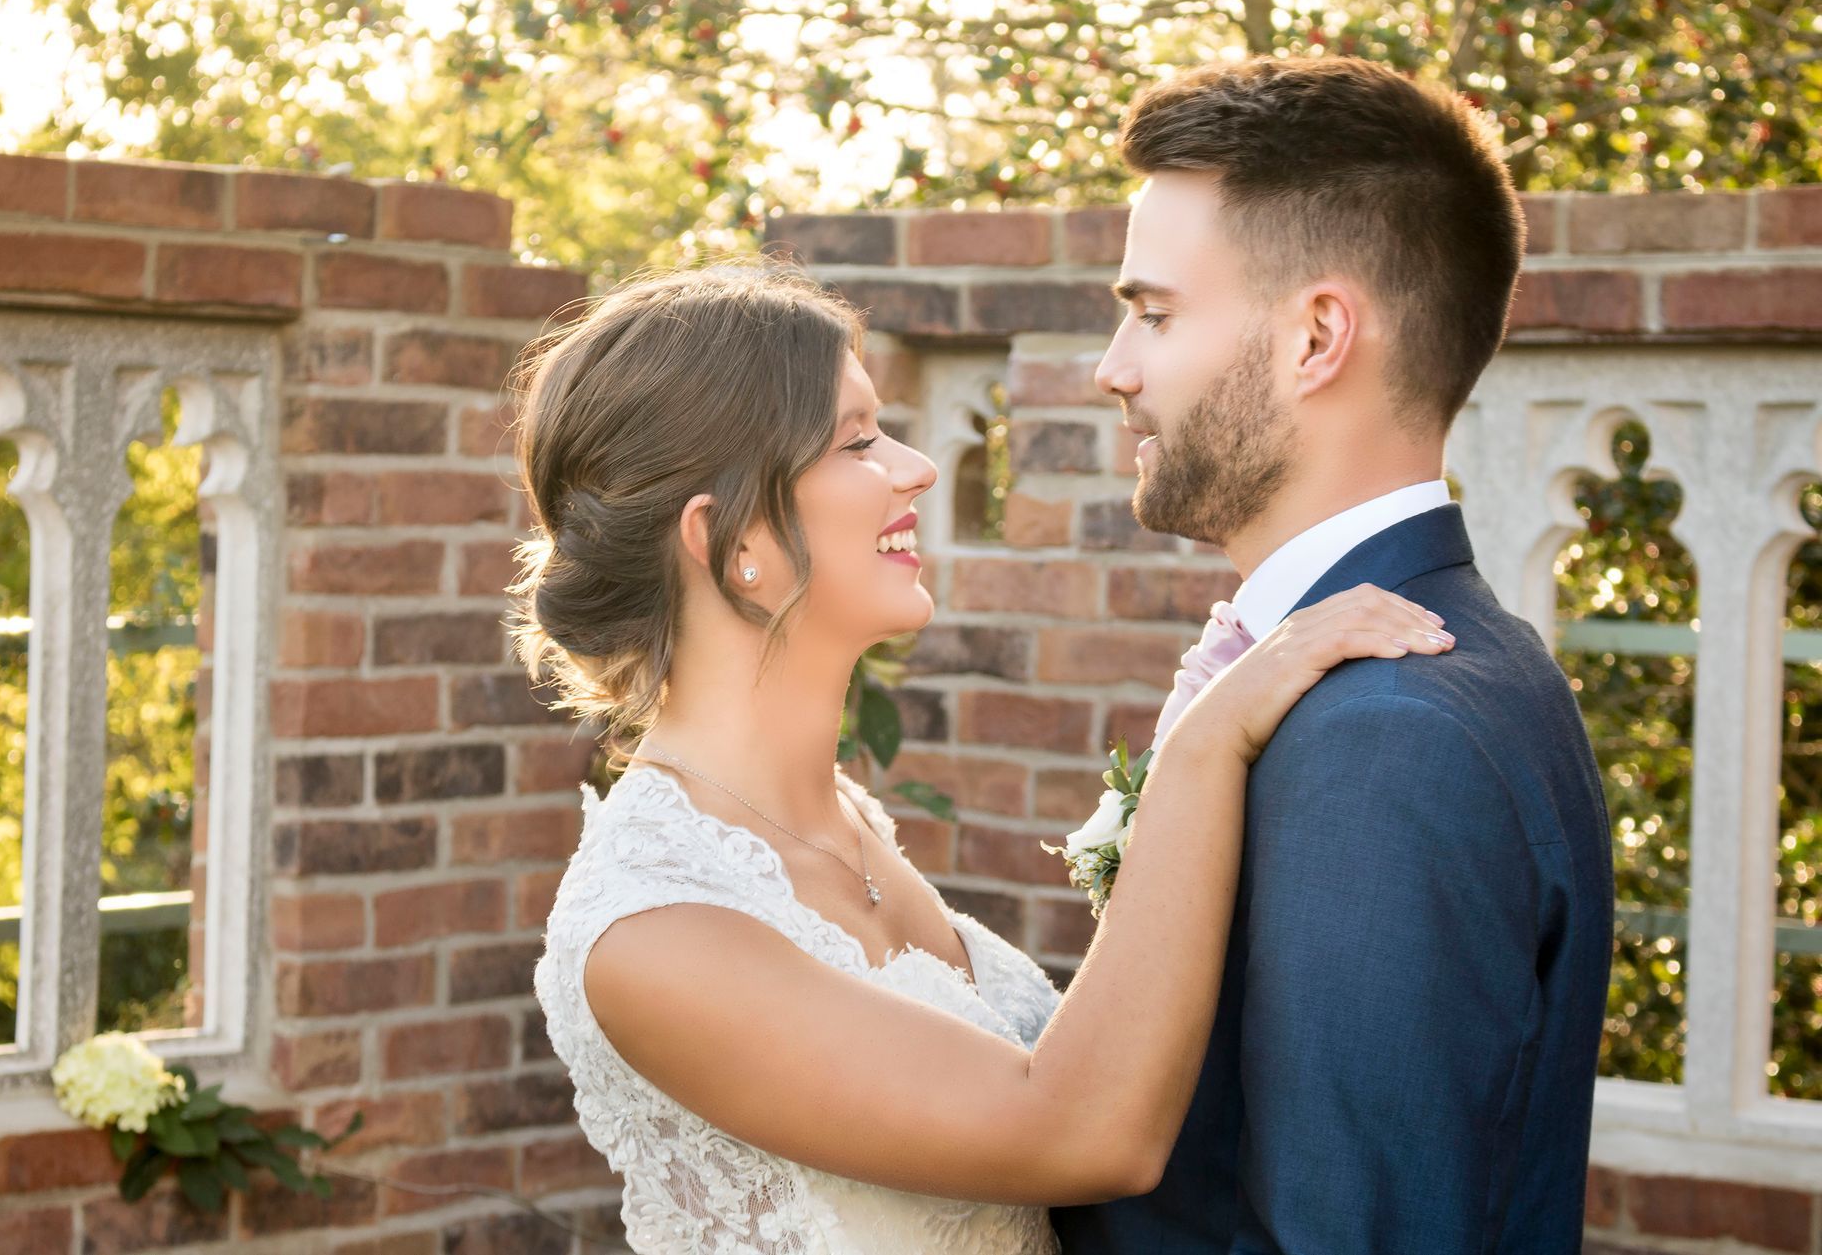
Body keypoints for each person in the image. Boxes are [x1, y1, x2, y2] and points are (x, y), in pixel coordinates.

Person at [519, 264, 1452, 1253]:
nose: (918, 468)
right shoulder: (653, 930)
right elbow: (1084, 1131)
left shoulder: (844, 824)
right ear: (733, 536)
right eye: (858, 441)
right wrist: (1205, 744)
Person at [1050, 57, 1615, 1254]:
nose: (1115, 367)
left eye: (1152, 312)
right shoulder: (1423, 675)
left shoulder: (1390, 737)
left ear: (1317, 337)